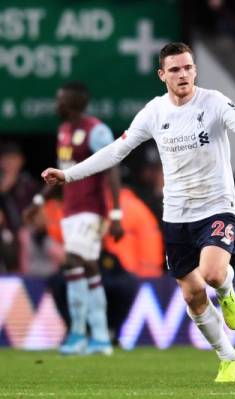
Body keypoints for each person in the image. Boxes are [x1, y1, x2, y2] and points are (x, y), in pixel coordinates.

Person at [40, 42, 235, 383]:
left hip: (217, 205)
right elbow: (115, 151)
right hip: (176, 214)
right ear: (162, 75)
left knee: (213, 274)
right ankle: (227, 357)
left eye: (187, 67)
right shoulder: (153, 113)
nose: (182, 74)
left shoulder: (213, 102)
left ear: (195, 69)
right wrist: (68, 175)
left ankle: (227, 291)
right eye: (174, 69)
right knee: (191, 293)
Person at [24, 82, 124, 356]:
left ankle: (85, 334)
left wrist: (116, 214)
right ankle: (96, 336)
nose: (57, 105)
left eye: (61, 100)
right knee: (84, 266)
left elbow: (112, 169)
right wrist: (38, 201)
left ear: (75, 102)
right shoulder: (65, 131)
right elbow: (61, 172)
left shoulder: (97, 130)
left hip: (91, 209)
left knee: (73, 262)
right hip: (70, 209)